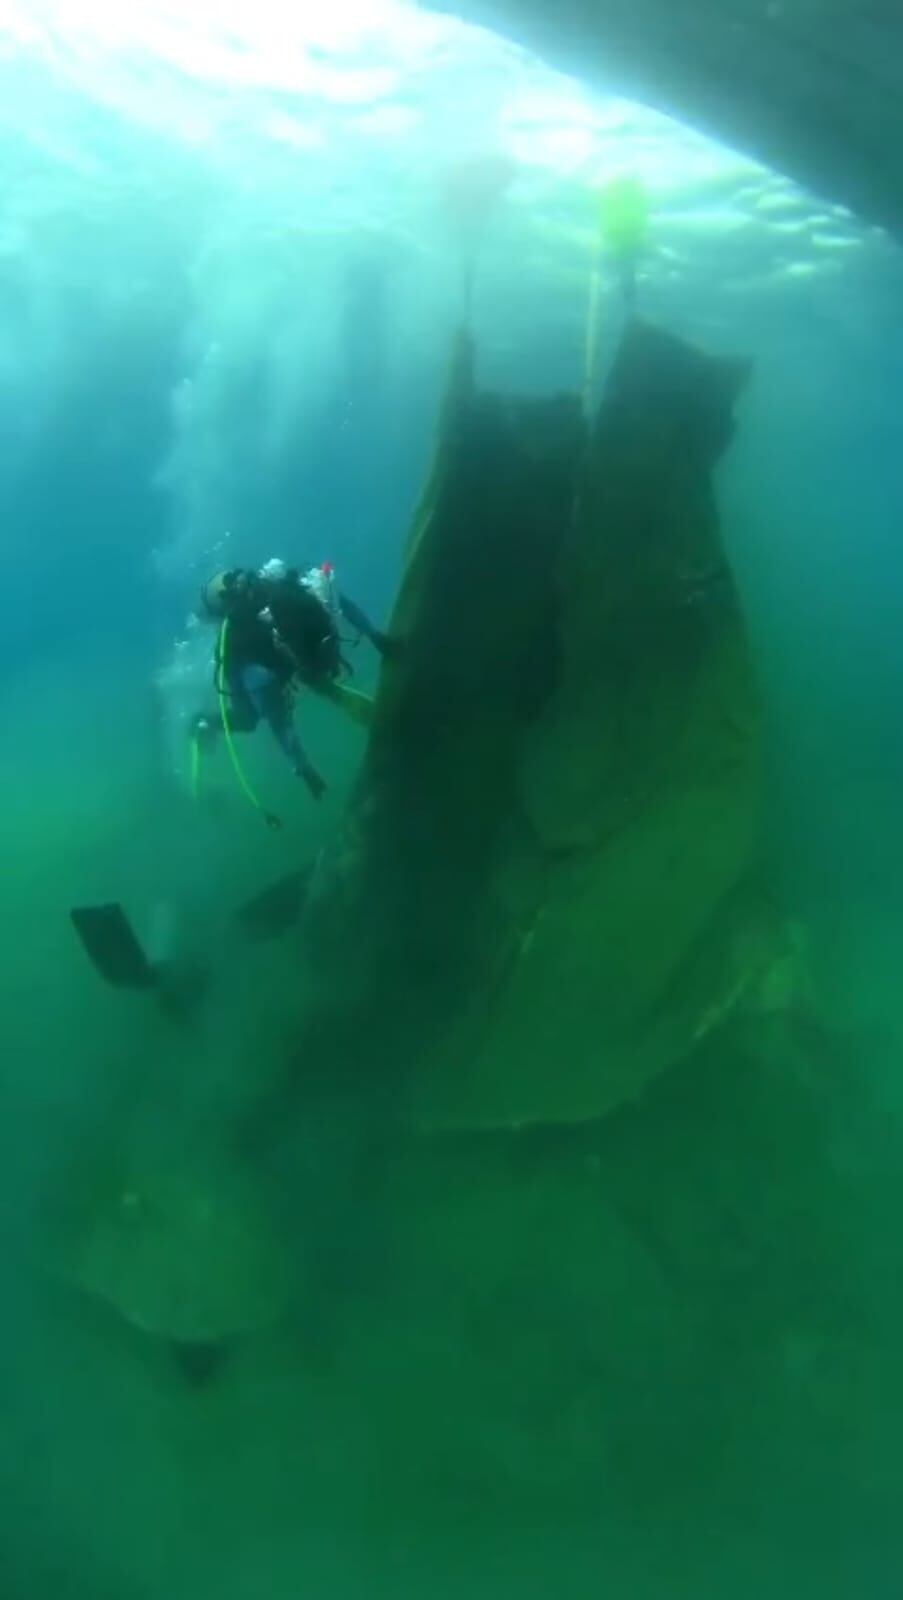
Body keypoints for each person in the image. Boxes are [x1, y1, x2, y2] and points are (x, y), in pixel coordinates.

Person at [190, 559, 398, 799]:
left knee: (298, 679)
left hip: (292, 662)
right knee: (248, 718)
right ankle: (206, 722)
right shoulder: (246, 636)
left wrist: (377, 638)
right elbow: (276, 715)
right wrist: (304, 768)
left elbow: (333, 598)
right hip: (280, 668)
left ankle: (206, 723)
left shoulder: (279, 597)